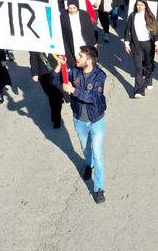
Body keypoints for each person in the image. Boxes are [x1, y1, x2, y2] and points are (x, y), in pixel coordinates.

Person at [52, 47, 107, 204]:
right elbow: (54, 81)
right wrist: (58, 66)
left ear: (89, 60)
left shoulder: (100, 75)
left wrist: (73, 90)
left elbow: (95, 98)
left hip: (96, 120)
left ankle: (99, 188)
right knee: (85, 148)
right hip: (79, 120)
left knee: (97, 152)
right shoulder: (73, 71)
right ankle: (88, 165)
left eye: (80, 56)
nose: (77, 58)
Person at [123, 0, 158, 99]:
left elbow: (155, 31)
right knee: (138, 68)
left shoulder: (150, 16)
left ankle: (148, 80)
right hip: (136, 44)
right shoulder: (132, 16)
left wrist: (157, 44)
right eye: (137, 5)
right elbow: (128, 29)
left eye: (141, 5)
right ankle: (139, 90)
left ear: (145, 6)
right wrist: (127, 43)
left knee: (148, 64)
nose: (139, 7)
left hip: (148, 44)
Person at [29, 52, 66, 129]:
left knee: (56, 97)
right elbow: (33, 58)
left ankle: (56, 117)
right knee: (52, 96)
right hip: (44, 74)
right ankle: (56, 116)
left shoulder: (55, 41)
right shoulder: (36, 44)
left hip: (58, 70)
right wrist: (34, 73)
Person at [60, 0, 98, 67]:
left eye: (74, 8)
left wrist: (94, 43)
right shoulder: (63, 16)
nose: (72, 10)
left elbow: (90, 29)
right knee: (75, 60)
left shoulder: (84, 14)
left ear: (77, 6)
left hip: (83, 40)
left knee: (85, 58)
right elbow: (62, 32)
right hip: (72, 40)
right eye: (70, 8)